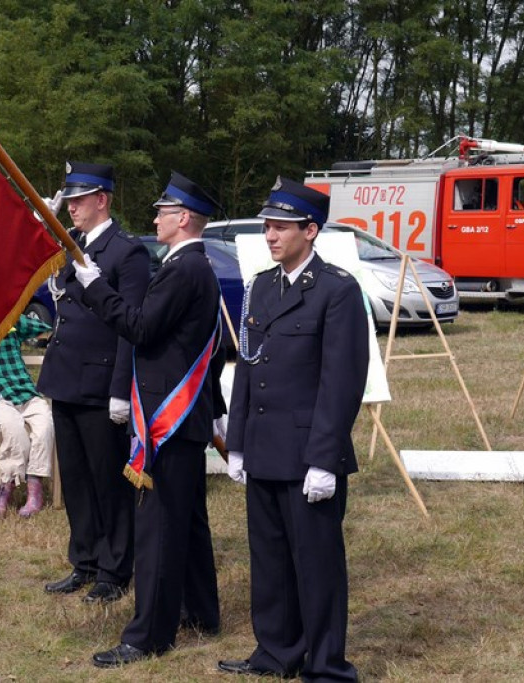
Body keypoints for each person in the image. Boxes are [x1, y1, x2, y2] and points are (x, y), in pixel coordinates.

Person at [219, 177, 369, 681]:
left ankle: (326, 666)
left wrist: (325, 460)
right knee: (270, 561)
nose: (270, 235)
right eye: (267, 225)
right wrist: (236, 442)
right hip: (263, 448)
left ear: (311, 230)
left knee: (317, 567)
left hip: (308, 454)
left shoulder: (337, 291)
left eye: (281, 226)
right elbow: (248, 366)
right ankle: (276, 652)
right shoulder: (262, 285)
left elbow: (341, 384)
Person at [73, 171, 224, 667]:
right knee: (189, 520)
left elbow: (140, 327)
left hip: (169, 417)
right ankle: (200, 612)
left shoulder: (184, 269)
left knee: (158, 527)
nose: (154, 218)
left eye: (162, 211)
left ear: (183, 219)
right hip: (182, 414)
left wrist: (96, 287)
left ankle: (147, 636)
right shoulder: (192, 266)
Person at [38, 161, 150, 604]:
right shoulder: (70, 245)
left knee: (108, 482)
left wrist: (120, 390)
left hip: (102, 383)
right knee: (78, 481)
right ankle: (84, 560)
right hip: (66, 377)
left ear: (101, 200)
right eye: (68, 201)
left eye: (79, 200)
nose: (71, 209)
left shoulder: (128, 253)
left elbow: (131, 326)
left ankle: (114, 568)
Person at [0, 313, 54, 518]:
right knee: (13, 429)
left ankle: (34, 489)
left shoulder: (9, 318)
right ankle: (5, 488)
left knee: (45, 423)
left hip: (24, 392)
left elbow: (43, 326)